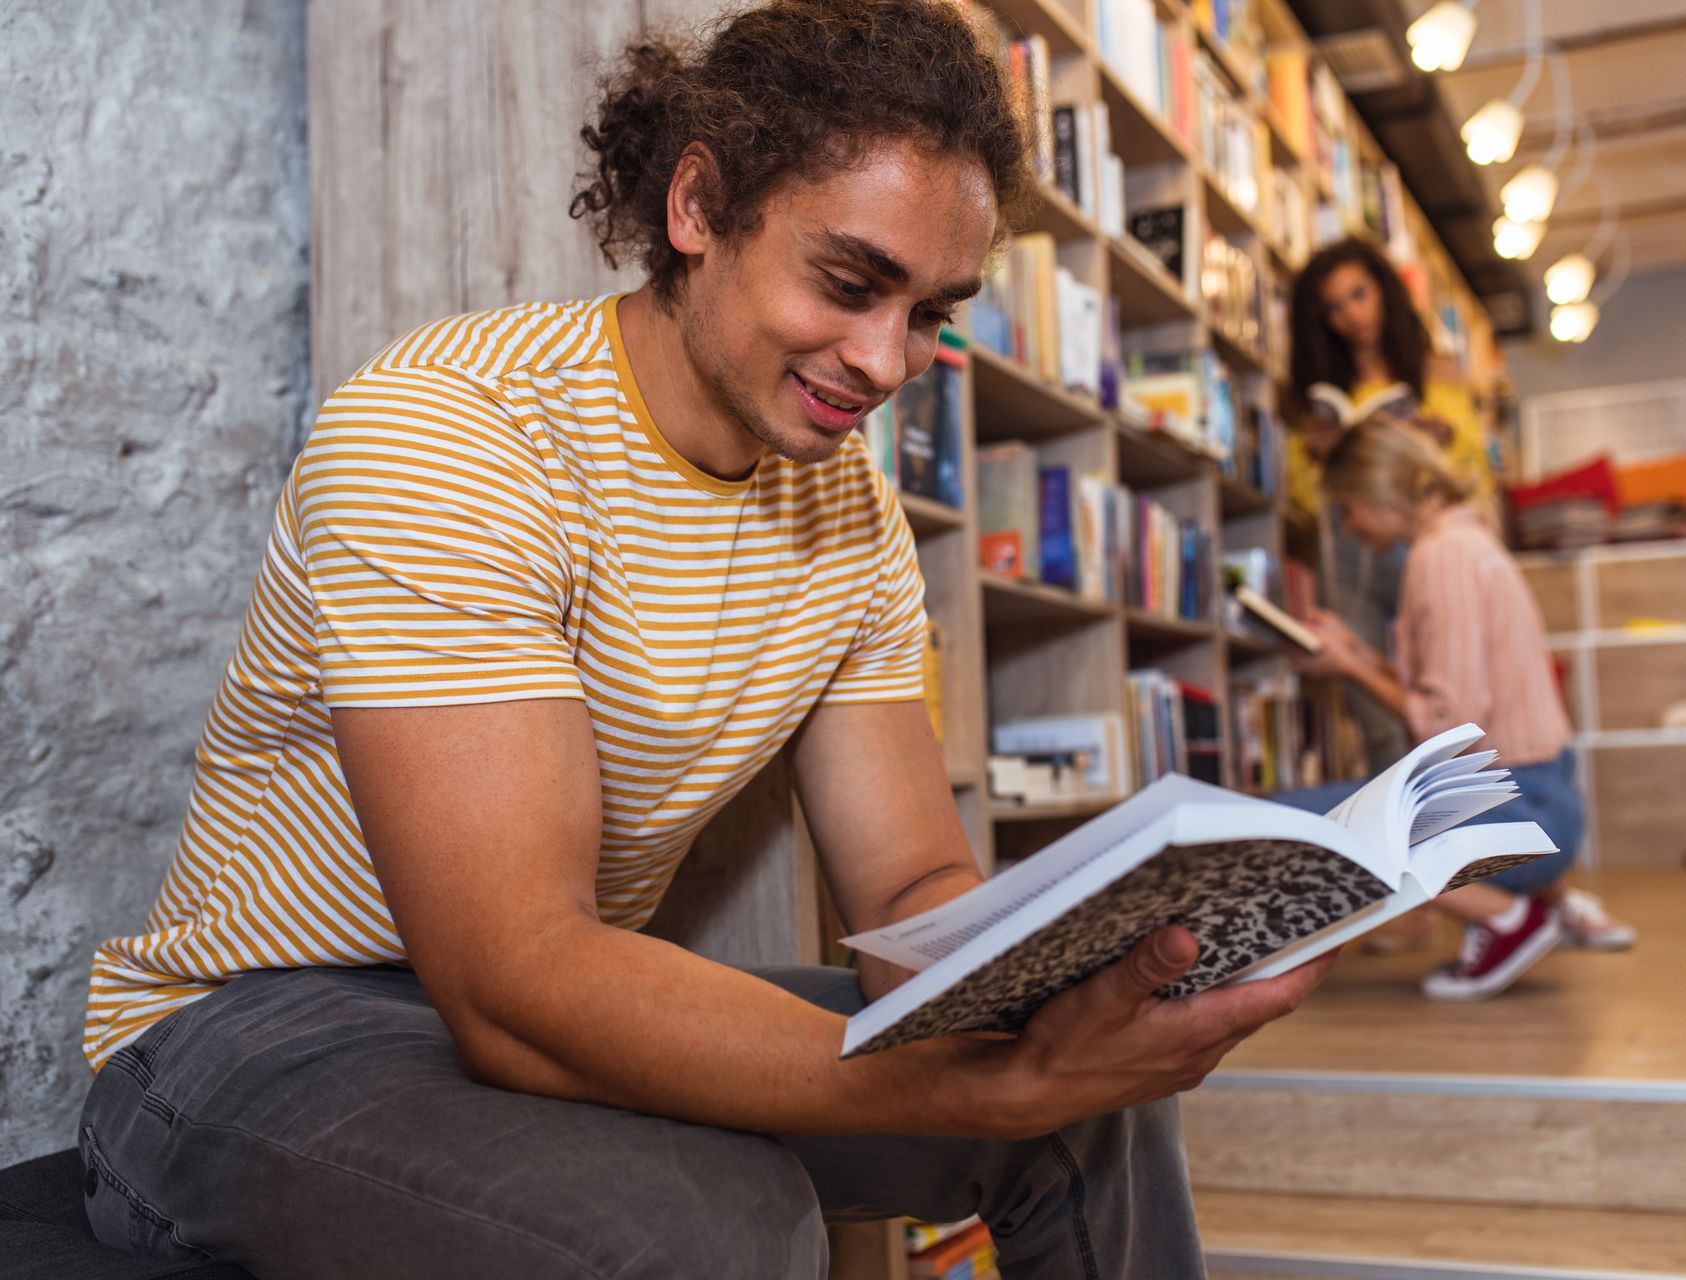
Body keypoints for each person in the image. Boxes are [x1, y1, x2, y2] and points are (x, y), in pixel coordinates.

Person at [75, 4, 1335, 1277]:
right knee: (709, 1218)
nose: (887, 359)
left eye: (933, 313)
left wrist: (1080, 972)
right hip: (259, 1030)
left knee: (1091, 1112)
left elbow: (907, 894)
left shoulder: (852, 512)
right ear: (698, 204)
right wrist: (963, 1088)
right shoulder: (452, 435)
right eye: (849, 283)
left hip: (547, 991)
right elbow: (519, 977)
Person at [1275, 419, 1633, 1002]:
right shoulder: (1470, 543)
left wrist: (1352, 669)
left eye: (1347, 508)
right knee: (1318, 812)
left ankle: (1506, 921)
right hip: (1542, 795)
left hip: (1520, 806)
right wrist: (1356, 654)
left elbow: (1450, 722)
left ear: (1376, 492)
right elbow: (1452, 691)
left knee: (1292, 820)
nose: (1347, 525)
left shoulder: (1440, 558)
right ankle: (1545, 903)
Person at [1285, 237, 1496, 773]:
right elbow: (1306, 502)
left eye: (1359, 294)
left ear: (1385, 291)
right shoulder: (1321, 396)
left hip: (1416, 540)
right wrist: (1319, 454)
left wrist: (1436, 437)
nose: (1351, 314)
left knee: (1436, 679)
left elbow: (1471, 473)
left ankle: (1446, 807)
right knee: (1369, 703)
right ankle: (1397, 813)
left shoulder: (1437, 373)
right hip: (1348, 553)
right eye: (1334, 306)